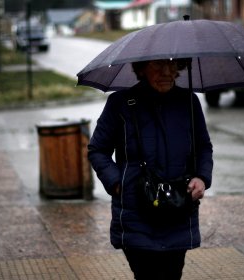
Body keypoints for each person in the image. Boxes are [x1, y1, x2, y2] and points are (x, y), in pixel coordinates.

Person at [88, 59, 213, 279]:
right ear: (142, 68)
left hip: (178, 210)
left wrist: (201, 178)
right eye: (158, 65)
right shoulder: (121, 103)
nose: (166, 72)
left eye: (173, 65)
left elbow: (203, 147)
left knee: (172, 275)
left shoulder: (189, 102)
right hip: (136, 213)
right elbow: (97, 149)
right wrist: (118, 183)